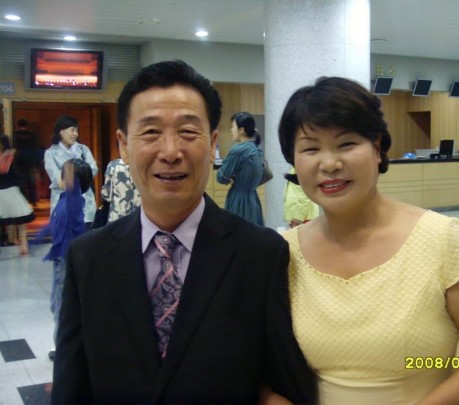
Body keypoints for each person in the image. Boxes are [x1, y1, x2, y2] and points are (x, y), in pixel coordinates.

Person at [51, 60, 316, 404]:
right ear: (123, 146)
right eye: (150, 132)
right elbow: (71, 387)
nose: (170, 152)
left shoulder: (261, 254)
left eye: (188, 132)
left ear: (213, 142)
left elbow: (285, 382)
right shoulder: (88, 257)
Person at [276, 76, 459, 404]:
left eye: (346, 144)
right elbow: (261, 364)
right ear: (294, 160)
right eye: (310, 149)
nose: (330, 164)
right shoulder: (283, 253)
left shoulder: (440, 239)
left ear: (377, 148)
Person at [41, 158, 92, 359]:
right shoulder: (63, 200)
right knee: (57, 304)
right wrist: (39, 236)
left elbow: (72, 193)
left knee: (61, 306)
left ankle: (63, 349)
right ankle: (68, 345)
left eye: (65, 175)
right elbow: (54, 224)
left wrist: (72, 177)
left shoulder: (74, 202)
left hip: (66, 261)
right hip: (60, 259)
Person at [44, 115, 98, 229]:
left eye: (77, 130)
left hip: (85, 203)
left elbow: (93, 168)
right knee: (65, 237)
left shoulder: (83, 149)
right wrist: (80, 173)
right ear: (61, 131)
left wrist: (71, 174)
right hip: (63, 204)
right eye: (72, 130)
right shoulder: (50, 153)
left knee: (86, 236)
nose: (75, 134)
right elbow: (55, 177)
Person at [216, 112, 265, 226]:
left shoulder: (238, 150)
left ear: (241, 130)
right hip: (253, 200)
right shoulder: (257, 149)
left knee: (237, 232)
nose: (231, 130)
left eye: (233, 127)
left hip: (238, 200)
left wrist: (231, 178)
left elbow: (221, 177)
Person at [0, 134, 35, 255]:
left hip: (11, 189)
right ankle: (11, 240)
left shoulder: (10, 155)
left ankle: (23, 243)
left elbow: (4, 169)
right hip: (3, 190)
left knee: (21, 217)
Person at [100, 155, 141, 223]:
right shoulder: (143, 164)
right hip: (139, 216)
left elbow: (107, 194)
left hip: (117, 216)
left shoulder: (113, 165)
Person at [13, 118, 41, 205]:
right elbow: (36, 148)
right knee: (31, 180)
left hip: (19, 160)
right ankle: (32, 199)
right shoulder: (33, 135)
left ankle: (22, 200)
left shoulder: (15, 135)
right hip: (31, 159)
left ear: (18, 125)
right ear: (27, 125)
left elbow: (14, 147)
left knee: (21, 180)